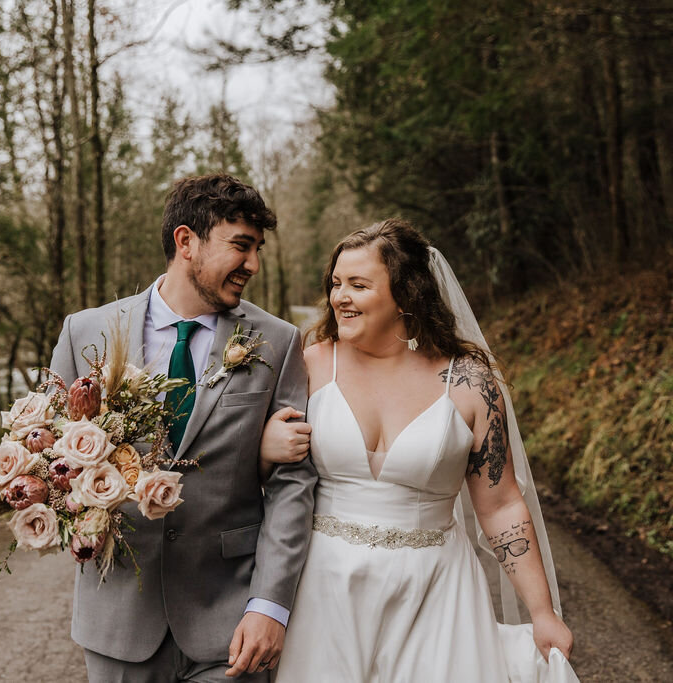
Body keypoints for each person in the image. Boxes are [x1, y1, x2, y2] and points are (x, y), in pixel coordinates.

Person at [261, 218, 578, 681]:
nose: (339, 297)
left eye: (358, 284)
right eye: (336, 283)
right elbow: (253, 478)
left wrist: (543, 611)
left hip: (435, 588)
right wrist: (265, 449)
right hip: (323, 588)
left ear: (406, 294)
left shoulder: (469, 382)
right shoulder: (311, 365)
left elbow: (502, 503)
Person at [50, 174, 317, 682]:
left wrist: (271, 606)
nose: (253, 265)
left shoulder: (278, 342)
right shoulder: (84, 332)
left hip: (232, 620)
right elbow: (51, 457)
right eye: (241, 246)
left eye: (258, 248)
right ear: (186, 241)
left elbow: (294, 483)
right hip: (119, 619)